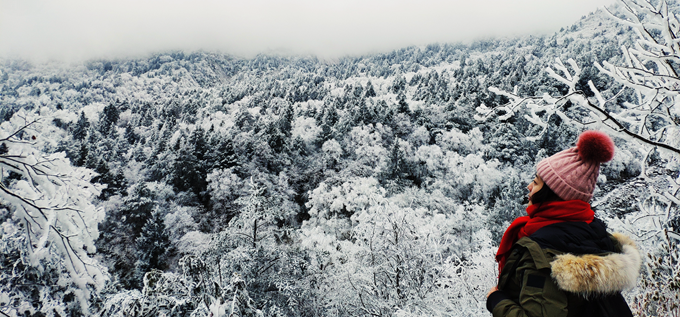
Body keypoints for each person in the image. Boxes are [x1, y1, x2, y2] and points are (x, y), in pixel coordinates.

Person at [485, 130, 641, 317]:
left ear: (554, 194)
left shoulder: (542, 253)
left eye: (535, 183)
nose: (529, 187)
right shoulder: (595, 234)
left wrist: (496, 301)